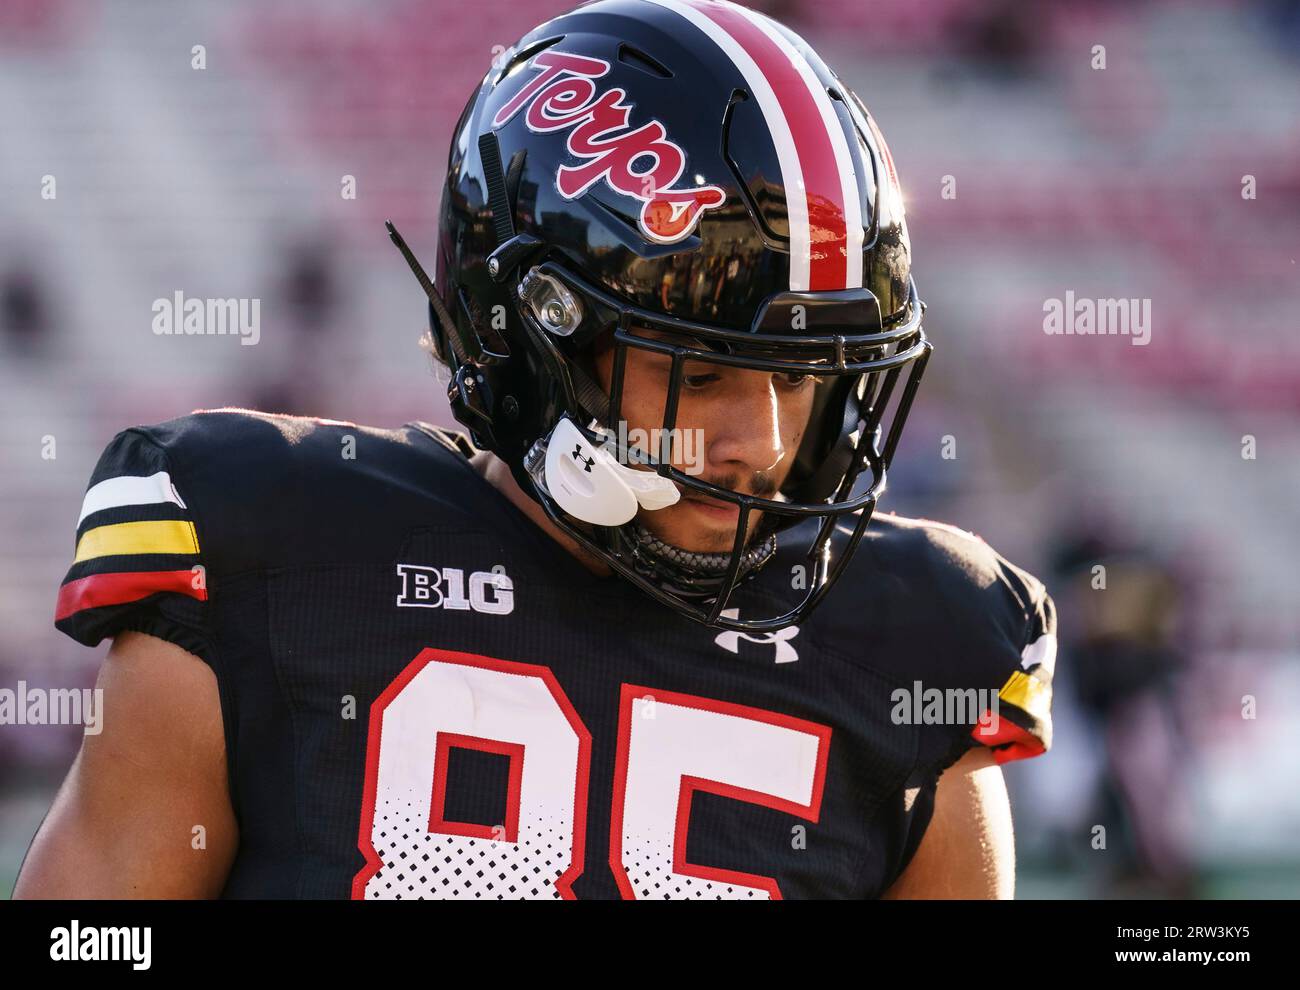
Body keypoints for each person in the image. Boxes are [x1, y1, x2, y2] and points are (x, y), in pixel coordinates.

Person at [15, 0, 1056, 900]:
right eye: (701, 376)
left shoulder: (918, 650)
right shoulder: (270, 555)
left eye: (799, 378)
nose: (762, 447)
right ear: (528, 339)